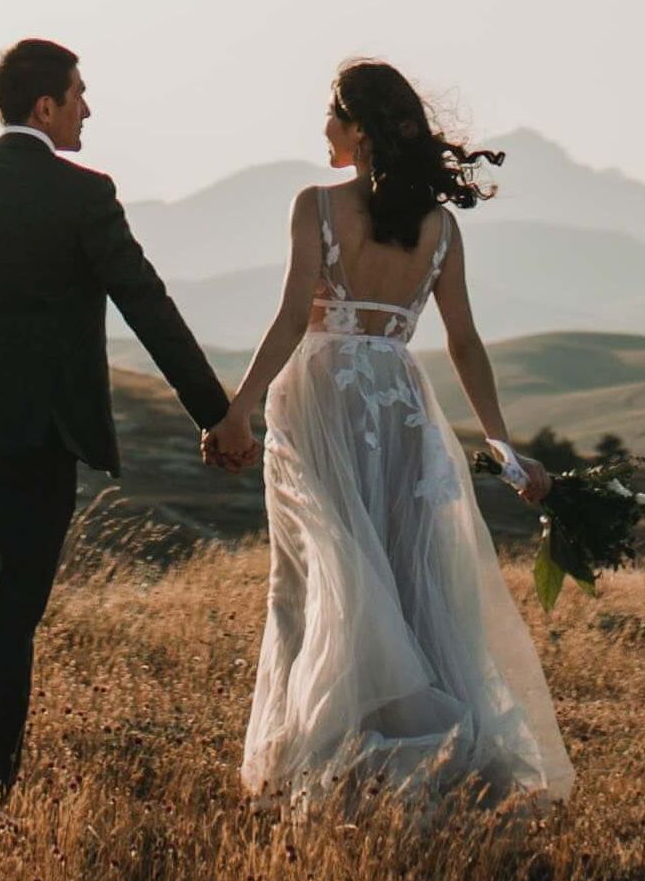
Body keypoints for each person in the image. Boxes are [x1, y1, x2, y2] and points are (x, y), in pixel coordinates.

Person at [0, 38, 253, 810]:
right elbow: (148, 306)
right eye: (79, 93)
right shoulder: (84, 195)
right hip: (41, 433)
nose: (89, 107)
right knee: (13, 611)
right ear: (44, 106)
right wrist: (217, 413)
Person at [222, 59, 575, 814]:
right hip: (401, 408)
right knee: (406, 582)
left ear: (358, 129)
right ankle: (421, 754)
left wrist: (240, 407)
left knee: (321, 576)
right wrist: (502, 443)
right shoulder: (439, 227)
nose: (322, 127)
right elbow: (465, 341)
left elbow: (292, 317)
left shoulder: (314, 205)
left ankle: (328, 758)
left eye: (331, 113)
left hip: (322, 404)